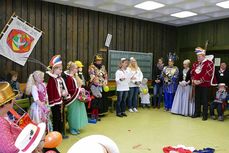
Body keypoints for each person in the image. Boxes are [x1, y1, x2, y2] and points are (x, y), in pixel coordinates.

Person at [0, 82, 45, 153]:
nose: (14, 100)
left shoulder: (4, 115)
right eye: (12, 99)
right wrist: (31, 147)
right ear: (5, 104)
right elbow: (10, 149)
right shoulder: (1, 123)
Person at [46, 55, 70, 138]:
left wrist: (64, 93)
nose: (61, 70)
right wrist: (59, 96)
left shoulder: (59, 78)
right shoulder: (52, 79)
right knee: (56, 118)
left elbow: (62, 87)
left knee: (61, 118)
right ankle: (57, 134)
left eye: (61, 69)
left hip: (61, 101)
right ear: (54, 69)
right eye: (59, 69)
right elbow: (51, 91)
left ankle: (61, 133)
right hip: (55, 103)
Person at [191, 47, 215, 121]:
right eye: (197, 56)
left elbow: (209, 74)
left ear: (203, 56)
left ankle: (205, 115)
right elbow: (192, 72)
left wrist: (200, 81)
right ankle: (197, 113)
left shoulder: (209, 63)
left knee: (205, 100)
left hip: (205, 85)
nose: (197, 57)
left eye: (199, 56)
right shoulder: (195, 64)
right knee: (197, 99)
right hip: (197, 84)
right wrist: (193, 80)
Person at [64, 61, 88, 135]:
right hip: (73, 99)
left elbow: (76, 87)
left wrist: (81, 89)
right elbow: (70, 89)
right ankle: (72, 128)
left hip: (77, 97)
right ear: (72, 69)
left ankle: (76, 127)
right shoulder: (69, 78)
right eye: (76, 68)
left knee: (78, 113)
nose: (77, 69)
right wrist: (79, 90)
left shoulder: (73, 77)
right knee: (73, 114)